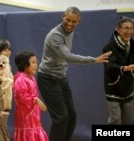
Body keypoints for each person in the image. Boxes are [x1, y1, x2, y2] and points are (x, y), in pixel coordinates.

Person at [36, 6, 112, 141]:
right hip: (47, 78)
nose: (70, 24)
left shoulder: (70, 31)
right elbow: (67, 57)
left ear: (79, 21)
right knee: (61, 117)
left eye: (74, 21)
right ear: (63, 17)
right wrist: (94, 60)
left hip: (60, 78)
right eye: (68, 20)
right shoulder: (55, 35)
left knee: (72, 115)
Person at [102, 17, 134, 125]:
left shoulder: (133, 45)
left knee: (129, 121)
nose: (129, 31)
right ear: (118, 30)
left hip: (128, 89)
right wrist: (124, 68)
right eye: (126, 28)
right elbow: (110, 67)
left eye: (131, 28)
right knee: (115, 120)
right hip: (113, 89)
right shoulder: (108, 47)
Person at [14, 51, 48, 141]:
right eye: (33, 62)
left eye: (36, 62)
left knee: (35, 130)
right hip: (25, 116)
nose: (36, 65)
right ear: (24, 64)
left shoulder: (31, 78)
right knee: (28, 133)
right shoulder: (20, 79)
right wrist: (35, 100)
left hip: (33, 115)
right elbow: (20, 96)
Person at [0, 39, 13, 126]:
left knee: (2, 125)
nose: (8, 52)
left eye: (9, 50)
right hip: (0, 100)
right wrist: (9, 81)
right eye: (5, 50)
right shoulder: (0, 63)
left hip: (6, 100)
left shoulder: (6, 63)